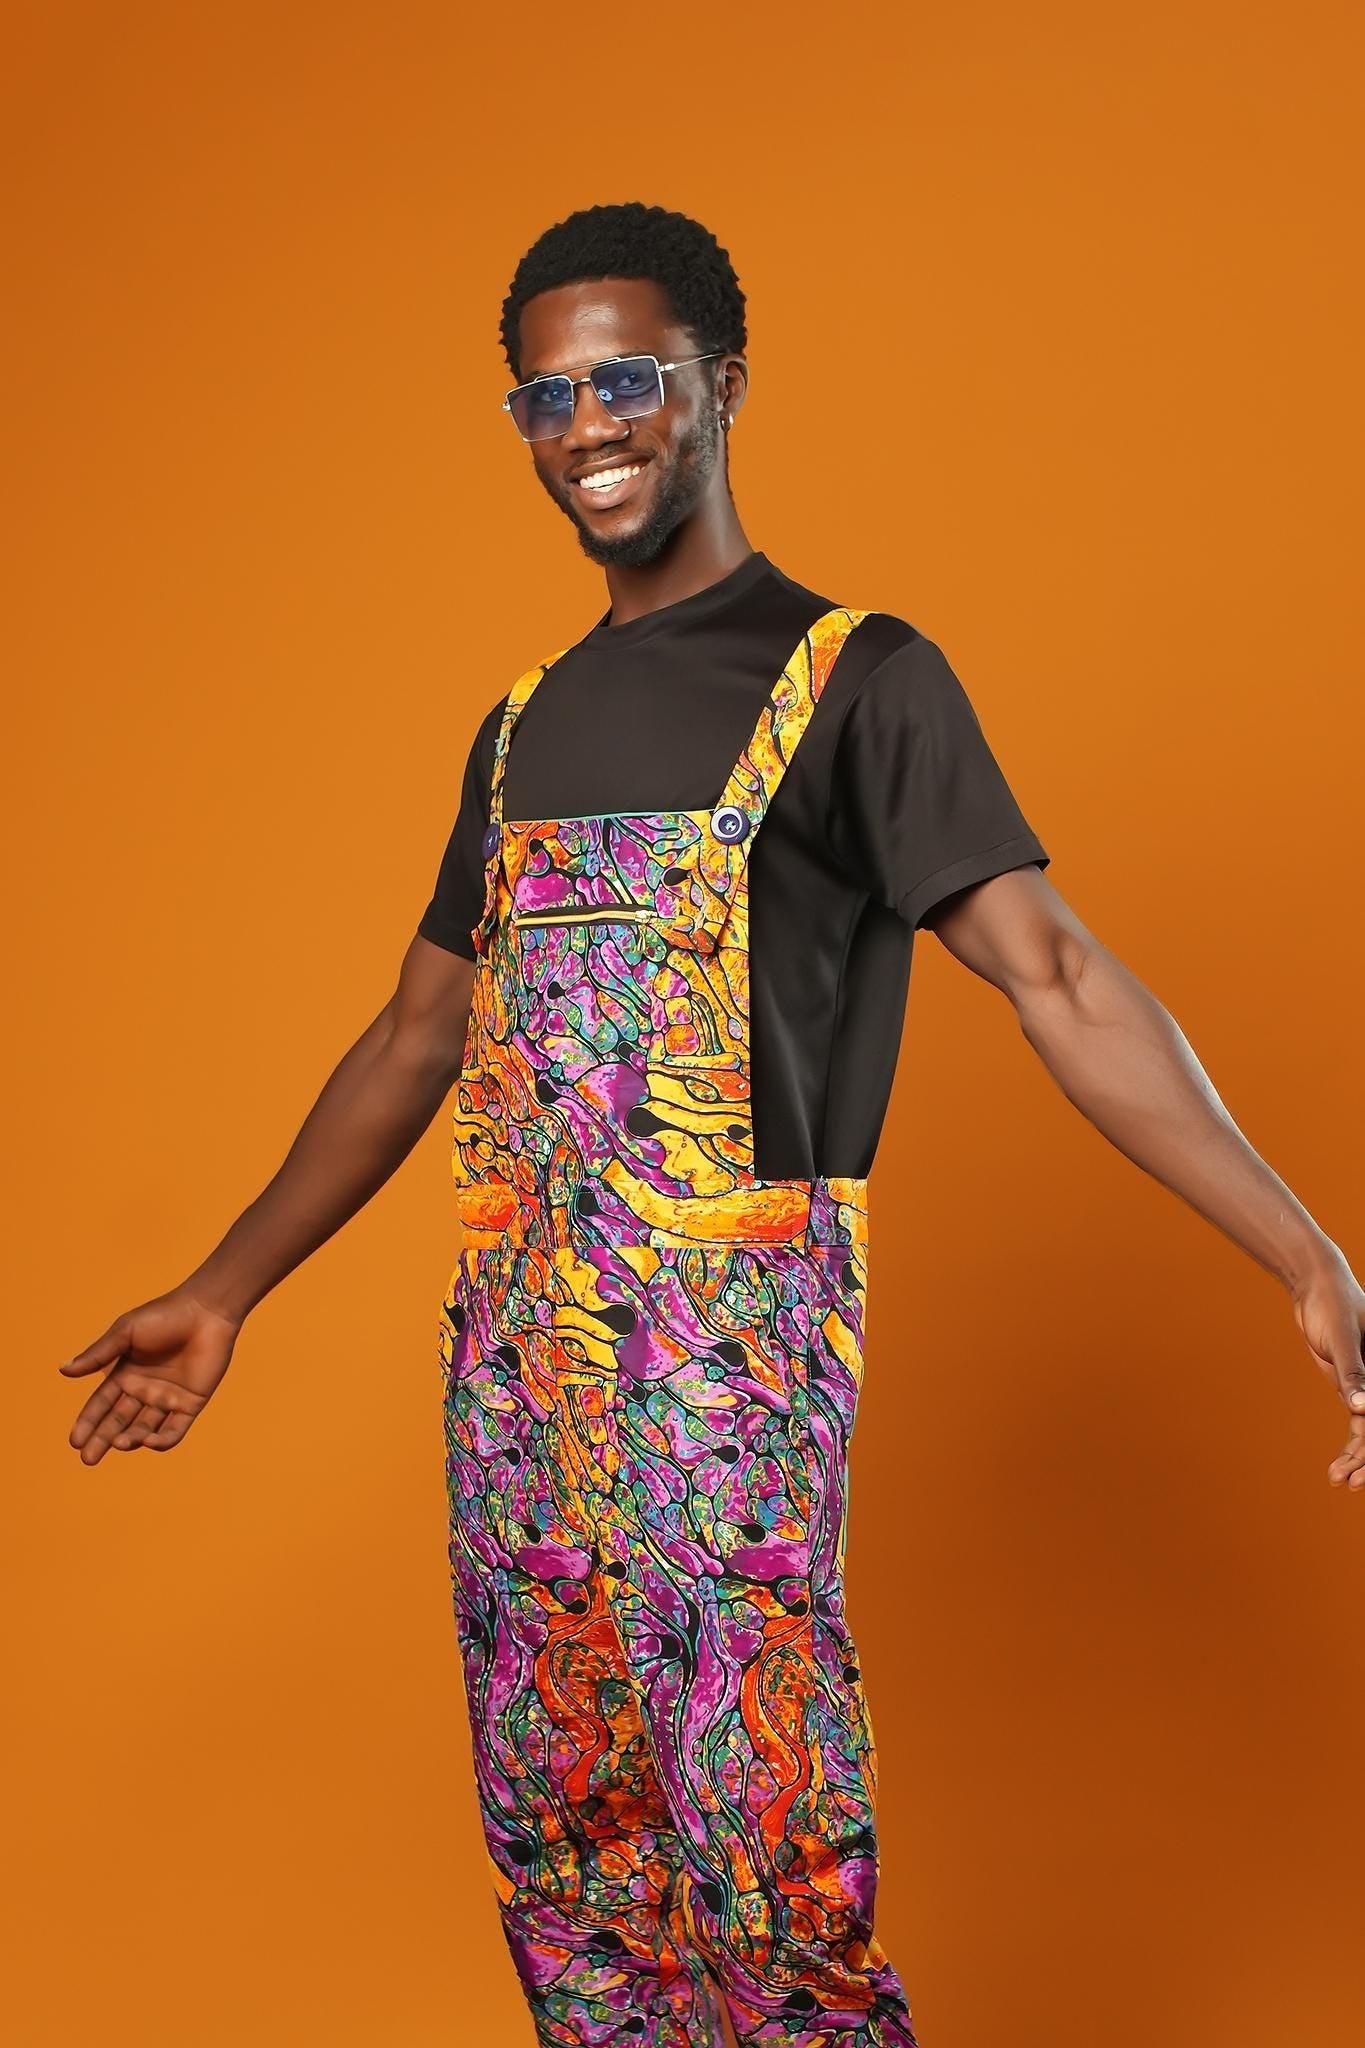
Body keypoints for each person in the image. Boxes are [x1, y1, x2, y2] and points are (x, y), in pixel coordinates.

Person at [59, 202, 1365, 2048]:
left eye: (624, 380)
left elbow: (1059, 978)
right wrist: (226, 1286)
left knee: (761, 1851)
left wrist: (1303, 1251)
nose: (584, 425)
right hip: (518, 1366)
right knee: (565, 1858)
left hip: (722, 1369)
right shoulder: (517, 729)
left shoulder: (857, 680)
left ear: (718, 388)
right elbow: (419, 1032)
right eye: (541, 394)